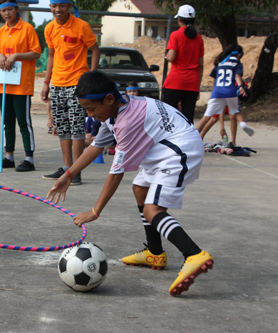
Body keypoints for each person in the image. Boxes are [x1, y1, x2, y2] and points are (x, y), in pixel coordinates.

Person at [47, 70, 214, 296]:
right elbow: (97, 146)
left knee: (152, 209)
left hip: (178, 152)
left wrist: (95, 211)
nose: (90, 114)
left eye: (91, 109)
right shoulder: (118, 109)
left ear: (108, 99)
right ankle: (155, 252)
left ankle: (193, 254)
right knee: (140, 189)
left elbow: (116, 173)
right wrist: (68, 174)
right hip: (164, 147)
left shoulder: (127, 122)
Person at [41, 0, 100, 185]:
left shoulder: (81, 26)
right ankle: (67, 168)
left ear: (68, 7)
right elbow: (51, 55)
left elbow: (95, 50)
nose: (57, 10)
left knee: (77, 128)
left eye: (62, 6)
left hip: (77, 84)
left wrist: (92, 77)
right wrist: (46, 82)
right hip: (57, 85)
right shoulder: (49, 28)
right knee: (63, 128)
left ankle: (76, 170)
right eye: (54, 6)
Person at [0, 0, 41, 172]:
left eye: (10, 9)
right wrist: (1, 56)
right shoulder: (1, 31)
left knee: (24, 122)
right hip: (3, 83)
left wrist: (16, 55)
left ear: (17, 9)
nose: (6, 13)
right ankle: (8, 156)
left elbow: (36, 52)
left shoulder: (27, 28)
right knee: (7, 122)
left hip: (21, 84)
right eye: (3, 10)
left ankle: (29, 158)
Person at [196, 44, 254, 143]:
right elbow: (237, 76)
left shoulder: (219, 64)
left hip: (217, 92)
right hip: (230, 91)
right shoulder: (237, 63)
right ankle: (242, 123)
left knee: (206, 117)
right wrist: (241, 87)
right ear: (239, 55)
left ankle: (193, 137)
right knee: (236, 111)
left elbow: (214, 81)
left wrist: (212, 95)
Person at [162, 4, 203, 124]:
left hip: (176, 81)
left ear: (179, 19)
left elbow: (171, 57)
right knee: (188, 118)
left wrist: (167, 56)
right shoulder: (199, 38)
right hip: (192, 83)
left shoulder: (175, 35)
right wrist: (197, 86)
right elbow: (200, 65)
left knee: (166, 114)